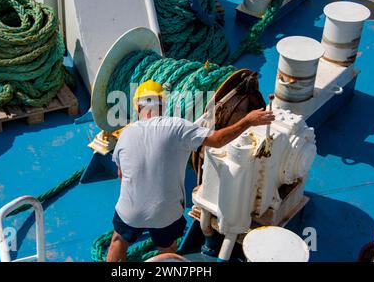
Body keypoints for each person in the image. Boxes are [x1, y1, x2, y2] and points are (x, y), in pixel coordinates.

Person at [107, 80, 275, 262]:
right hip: (165, 214)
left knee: (117, 240)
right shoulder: (177, 126)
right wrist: (248, 120)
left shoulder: (125, 134)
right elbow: (217, 140)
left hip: (130, 210)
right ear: (162, 105)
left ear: (137, 107)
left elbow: (121, 175)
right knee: (167, 250)